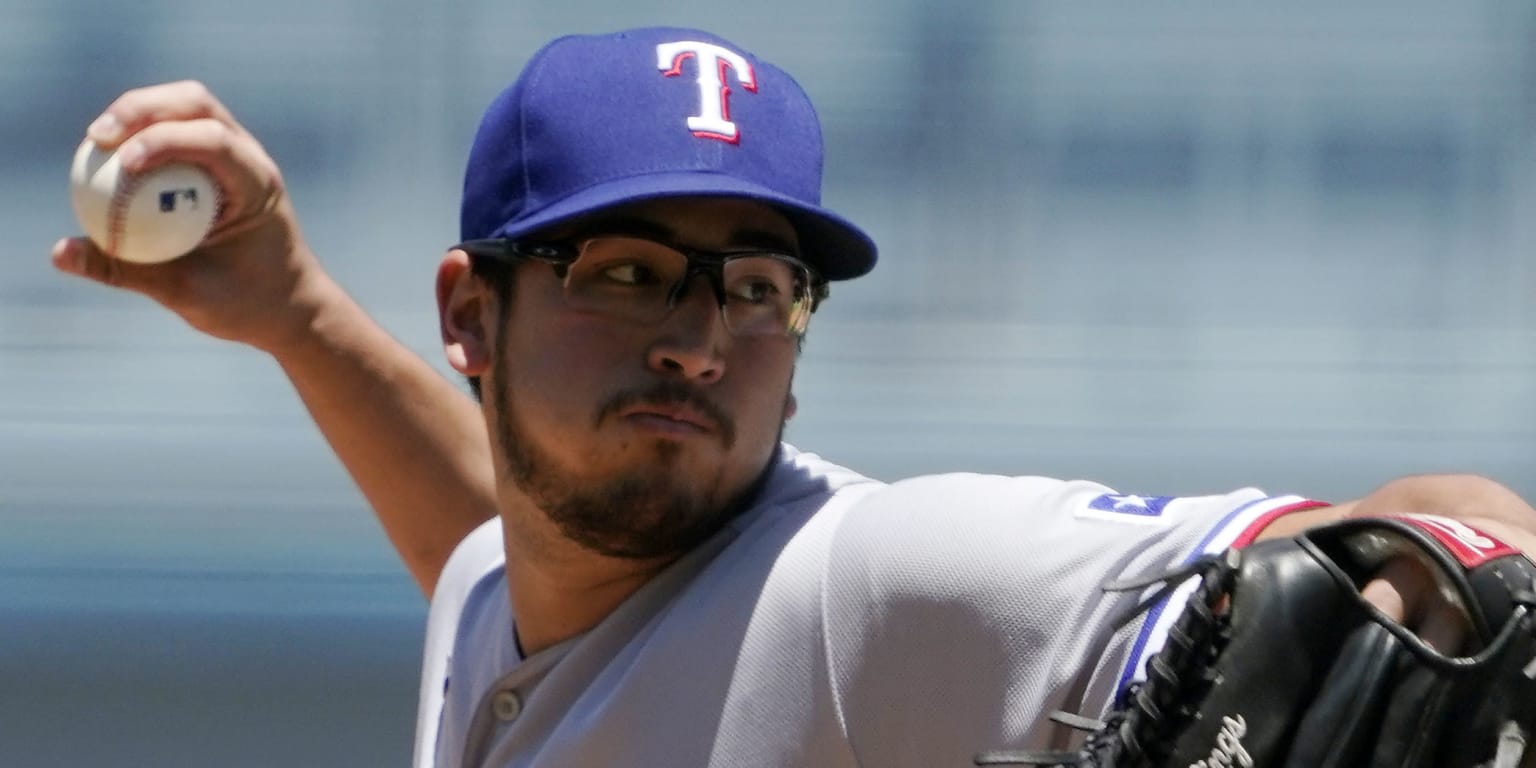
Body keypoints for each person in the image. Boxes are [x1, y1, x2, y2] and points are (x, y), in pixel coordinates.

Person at [53, 26, 1536, 768]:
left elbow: (1447, 532)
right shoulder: (513, 601)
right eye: (629, 272)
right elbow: (484, 536)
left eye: (758, 285)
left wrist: (1449, 579)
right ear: (469, 315)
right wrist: (300, 315)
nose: (702, 340)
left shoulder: (879, 589)